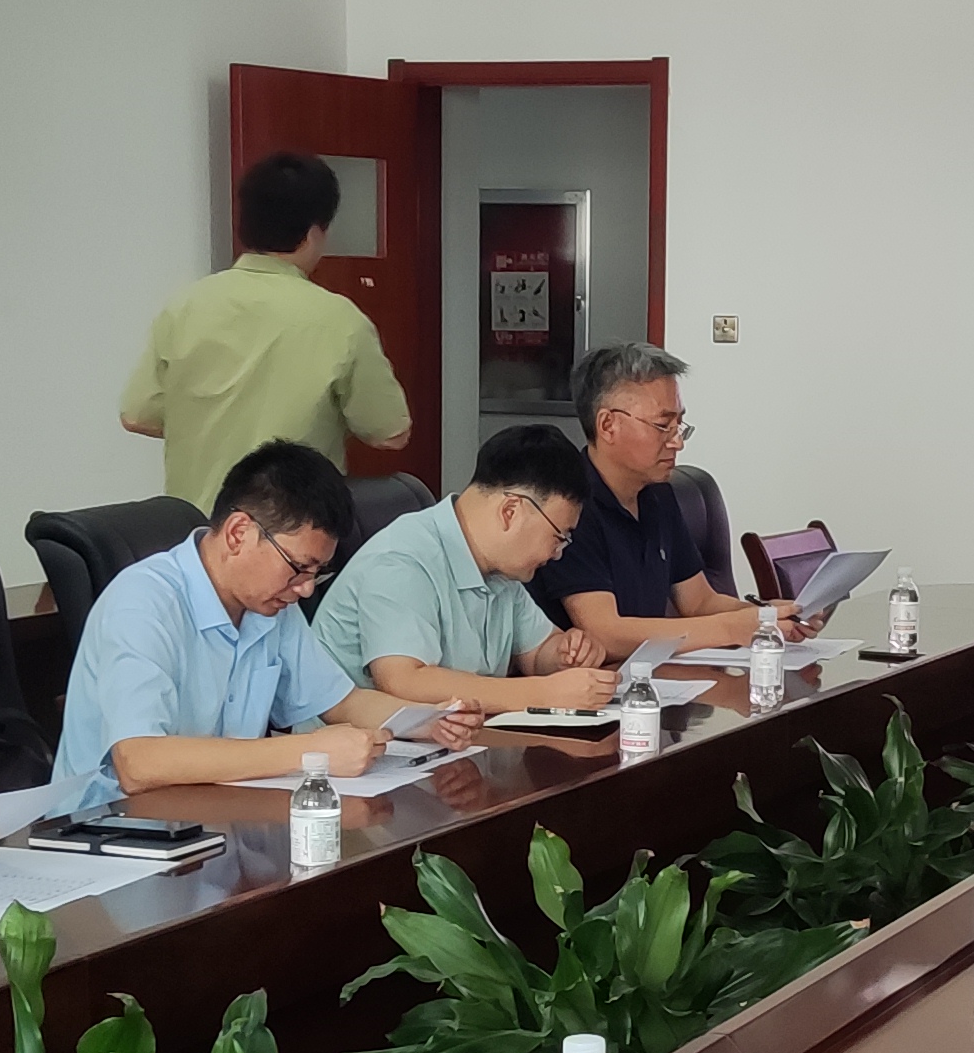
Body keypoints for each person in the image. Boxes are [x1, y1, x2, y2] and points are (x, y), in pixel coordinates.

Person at [54, 442, 482, 801]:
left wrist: (427, 720)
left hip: (218, 818)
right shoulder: (142, 603)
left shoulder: (270, 606)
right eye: (298, 567)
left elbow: (343, 702)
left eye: (317, 573)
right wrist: (309, 753)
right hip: (112, 834)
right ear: (238, 533)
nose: (306, 589)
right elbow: (138, 762)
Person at [119, 151, 413, 517]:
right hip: (291, 528)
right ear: (314, 233)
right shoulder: (340, 320)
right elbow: (390, 433)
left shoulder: (184, 306)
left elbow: (137, 416)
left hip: (196, 526)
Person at [310, 425, 618, 715]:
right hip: (350, 748)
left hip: (451, 740)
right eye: (559, 536)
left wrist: (566, 654)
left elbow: (537, 653)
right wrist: (542, 693)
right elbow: (404, 680)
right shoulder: (401, 559)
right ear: (510, 511)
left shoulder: (503, 571)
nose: (558, 553)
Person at [532, 343, 806, 658]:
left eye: (679, 426)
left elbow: (699, 602)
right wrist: (732, 628)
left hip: (653, 674)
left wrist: (769, 616)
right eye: (663, 426)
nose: (677, 442)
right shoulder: (569, 505)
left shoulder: (658, 493)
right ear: (608, 425)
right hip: (590, 679)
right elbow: (605, 633)